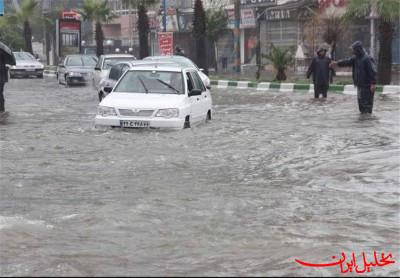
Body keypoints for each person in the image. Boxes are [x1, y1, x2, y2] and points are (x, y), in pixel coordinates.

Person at [331, 41, 377, 114]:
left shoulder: (367, 59)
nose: (353, 52)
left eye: (354, 50)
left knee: (367, 106)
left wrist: (373, 84)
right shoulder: (356, 58)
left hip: (367, 87)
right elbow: (347, 62)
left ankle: (368, 122)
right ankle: (364, 122)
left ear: (358, 49)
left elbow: (372, 72)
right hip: (360, 86)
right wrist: (337, 63)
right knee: (361, 105)